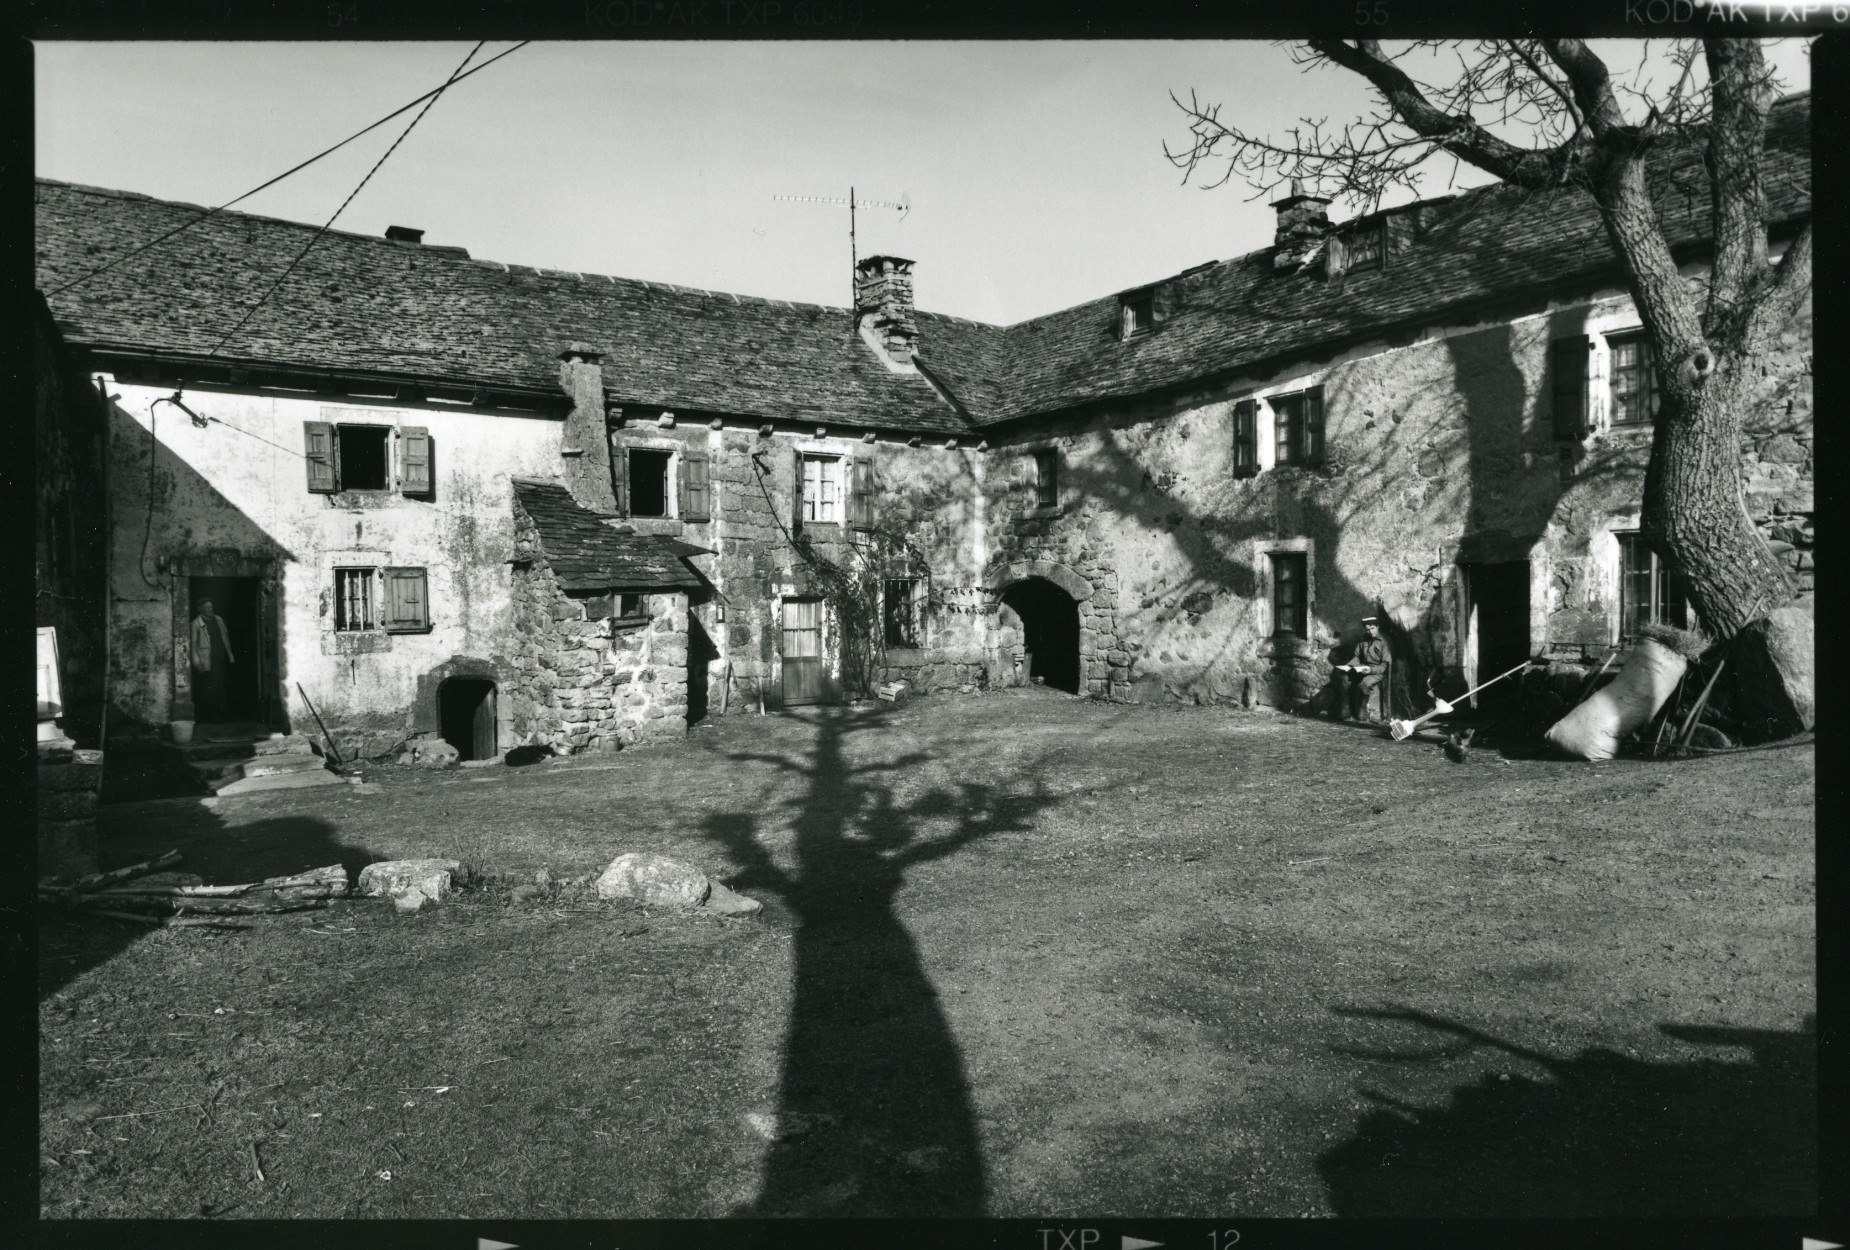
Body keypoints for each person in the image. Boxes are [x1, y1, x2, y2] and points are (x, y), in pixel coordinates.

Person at [1334, 615, 1390, 722]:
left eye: (1373, 628)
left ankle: (1362, 709)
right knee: (1344, 678)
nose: (1370, 632)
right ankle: (1346, 709)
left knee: (1364, 683)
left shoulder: (1383, 643)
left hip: (1376, 671)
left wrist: (1371, 670)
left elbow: (1384, 666)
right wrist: (1349, 666)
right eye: (1367, 629)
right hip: (1362, 668)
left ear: (1378, 627)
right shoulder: (1363, 640)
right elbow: (1357, 657)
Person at [190, 598, 236, 723]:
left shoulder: (219, 619)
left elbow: (225, 637)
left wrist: (230, 654)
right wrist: (196, 659)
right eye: (207, 607)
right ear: (200, 609)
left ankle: (223, 714)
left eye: (211, 607)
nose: (210, 609)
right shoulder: (196, 623)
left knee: (221, 685)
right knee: (211, 686)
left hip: (220, 657)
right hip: (207, 659)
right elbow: (193, 643)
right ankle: (211, 716)